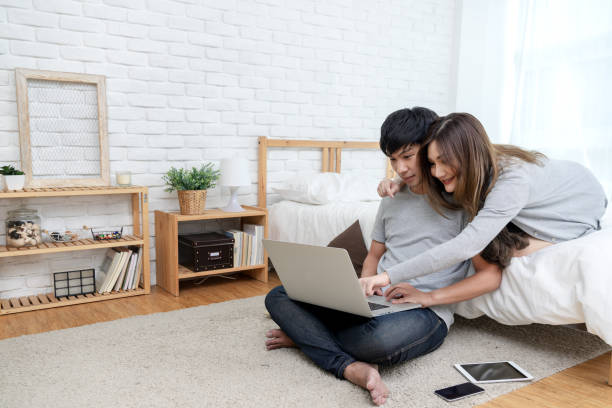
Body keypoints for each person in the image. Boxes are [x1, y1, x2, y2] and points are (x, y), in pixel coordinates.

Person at [264, 108, 502, 406]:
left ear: (430, 147)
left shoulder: (460, 200)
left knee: (375, 343)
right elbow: (374, 257)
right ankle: (349, 364)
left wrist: (430, 298)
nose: (400, 168)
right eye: (392, 159)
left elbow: (490, 275)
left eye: (407, 155)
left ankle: (310, 340)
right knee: (278, 296)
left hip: (426, 312)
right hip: (379, 299)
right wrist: (360, 289)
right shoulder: (391, 198)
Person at [363, 112, 608, 297]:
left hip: (581, 200)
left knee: (507, 250)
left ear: (464, 154)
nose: (436, 172)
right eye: (432, 163)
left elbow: (464, 246)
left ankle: (579, 232)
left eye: (443, 162)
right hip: (552, 185)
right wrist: (399, 180)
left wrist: (387, 276)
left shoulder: (512, 182)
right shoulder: (478, 156)